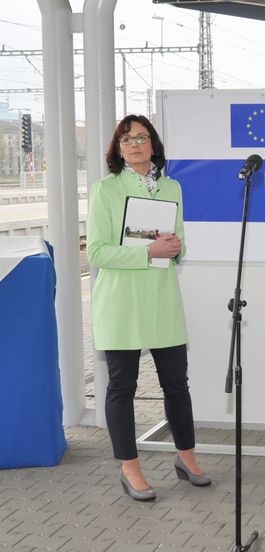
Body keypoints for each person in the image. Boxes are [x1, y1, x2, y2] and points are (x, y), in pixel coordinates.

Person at [87, 115, 210, 502]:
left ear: (153, 144)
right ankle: (130, 467)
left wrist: (175, 249)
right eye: (126, 140)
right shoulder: (105, 190)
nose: (135, 144)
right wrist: (148, 250)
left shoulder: (172, 187)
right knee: (122, 386)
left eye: (141, 137)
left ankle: (186, 457)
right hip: (121, 301)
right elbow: (97, 251)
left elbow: (181, 243)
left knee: (177, 384)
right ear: (118, 150)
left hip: (161, 297)